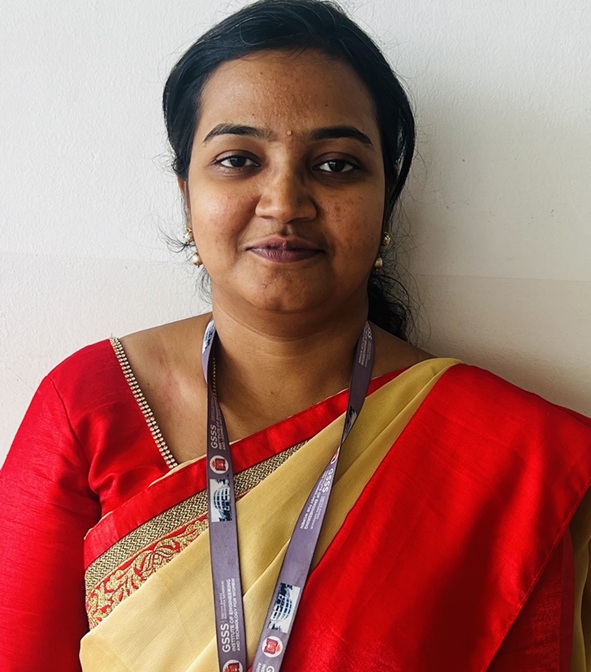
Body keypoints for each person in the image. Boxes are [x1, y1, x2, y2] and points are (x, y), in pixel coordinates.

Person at [0, 1, 589, 670]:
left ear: (385, 205)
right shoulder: (91, 403)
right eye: (237, 159)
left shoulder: (508, 458)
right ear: (186, 196)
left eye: (335, 165)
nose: (283, 202)